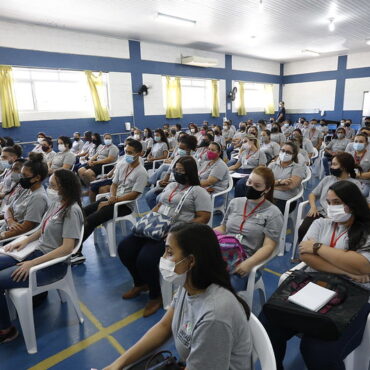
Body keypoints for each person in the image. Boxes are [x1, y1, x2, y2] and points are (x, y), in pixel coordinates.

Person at [105, 223, 252, 370]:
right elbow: (164, 326)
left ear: (191, 261)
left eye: (169, 253)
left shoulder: (214, 316)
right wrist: (118, 364)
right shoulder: (189, 284)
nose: (163, 258)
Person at [261, 181, 370, 370]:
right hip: (312, 284)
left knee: (316, 351)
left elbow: (362, 266)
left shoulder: (366, 229)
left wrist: (318, 247)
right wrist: (345, 269)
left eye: (336, 202)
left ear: (352, 204)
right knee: (268, 325)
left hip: (352, 293)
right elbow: (306, 256)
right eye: (328, 202)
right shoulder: (321, 223)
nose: (331, 207)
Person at [117, 156, 211, 317]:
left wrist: (179, 230)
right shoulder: (172, 185)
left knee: (146, 259)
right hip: (157, 226)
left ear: (190, 172)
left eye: (181, 170)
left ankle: (155, 295)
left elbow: (204, 217)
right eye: (176, 169)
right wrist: (147, 220)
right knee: (125, 248)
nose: (177, 172)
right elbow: (160, 204)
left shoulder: (198, 191)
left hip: (177, 232)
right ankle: (140, 283)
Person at [0, 168, 84, 343]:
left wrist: (32, 263)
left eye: (53, 185)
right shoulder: (57, 202)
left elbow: (67, 248)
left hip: (52, 265)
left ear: (64, 187)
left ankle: (6, 330)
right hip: (36, 252)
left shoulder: (72, 211)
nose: (49, 188)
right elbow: (42, 228)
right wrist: (24, 241)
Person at [71, 140, 147, 264]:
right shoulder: (122, 164)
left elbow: (134, 194)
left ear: (139, 154)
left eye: (130, 153)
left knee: (91, 220)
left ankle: (76, 252)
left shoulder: (141, 172)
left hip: (124, 205)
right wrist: (112, 196)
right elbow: (114, 184)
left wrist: (114, 200)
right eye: (126, 151)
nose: (127, 155)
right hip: (113, 199)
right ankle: (70, 243)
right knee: (83, 212)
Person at [215, 167, 283, 292]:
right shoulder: (235, 203)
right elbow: (223, 228)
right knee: (196, 275)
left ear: (267, 189)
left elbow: (269, 246)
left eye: (257, 186)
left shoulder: (273, 213)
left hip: (246, 259)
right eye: (249, 182)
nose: (250, 187)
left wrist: (249, 263)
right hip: (224, 251)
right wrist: (205, 234)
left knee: (223, 290)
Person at [298, 153, 364, 243]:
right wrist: (313, 207)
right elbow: (312, 194)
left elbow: (355, 205)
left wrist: (337, 216)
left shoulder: (354, 184)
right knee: (303, 229)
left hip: (342, 216)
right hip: (322, 212)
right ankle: (304, 253)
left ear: (344, 167)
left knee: (331, 239)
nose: (331, 167)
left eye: (334, 164)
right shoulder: (328, 179)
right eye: (332, 164)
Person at [0, 153, 49, 241]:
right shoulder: (26, 189)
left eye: (24, 175)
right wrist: (10, 220)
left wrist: (2, 235)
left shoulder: (38, 198)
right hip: (7, 226)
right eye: (21, 174)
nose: (21, 178)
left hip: (16, 238)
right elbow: (8, 209)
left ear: (37, 178)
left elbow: (26, 228)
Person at [145, 135, 198, 209]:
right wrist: (163, 181)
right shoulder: (178, 157)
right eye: (179, 148)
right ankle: (158, 214)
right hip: (171, 183)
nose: (179, 150)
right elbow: (169, 171)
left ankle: (164, 213)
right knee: (149, 195)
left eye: (182, 149)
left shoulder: (192, 161)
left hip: (182, 186)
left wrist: (170, 184)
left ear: (189, 149)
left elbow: (190, 180)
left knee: (159, 198)